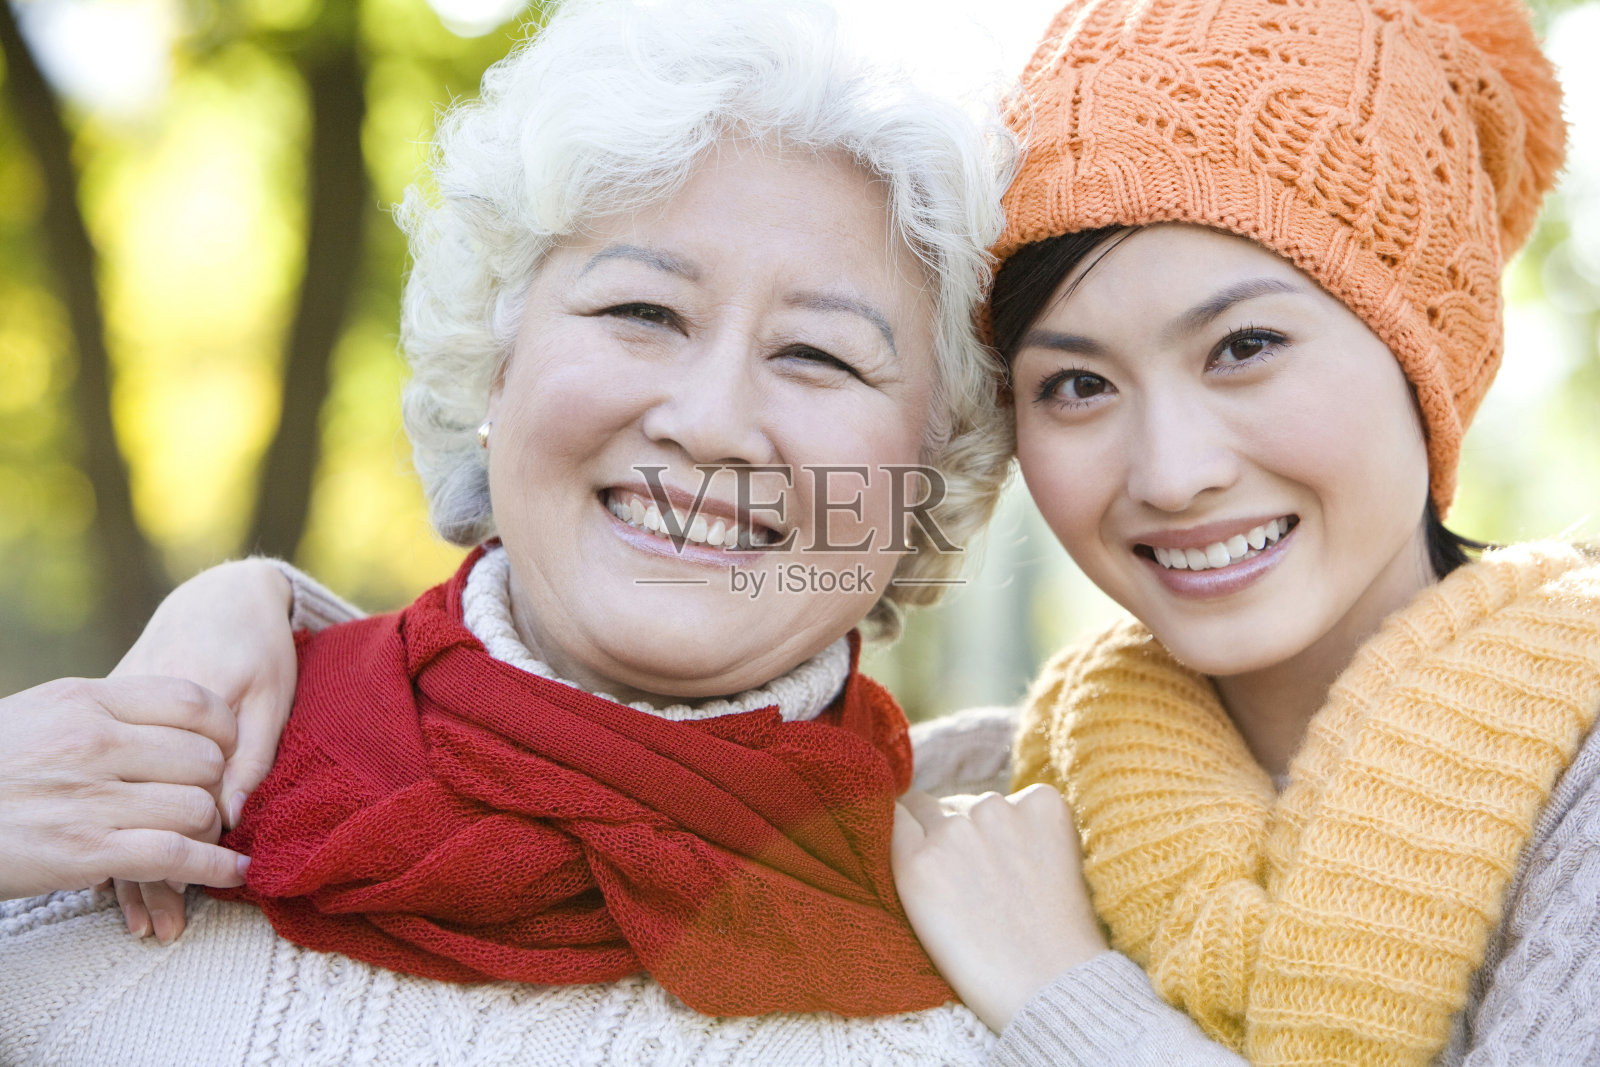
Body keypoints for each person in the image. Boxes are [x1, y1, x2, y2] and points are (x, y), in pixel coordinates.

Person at [0, 0, 1019, 1062]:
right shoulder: (76, 827)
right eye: (642, 312)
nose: (712, 421)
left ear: (932, 467)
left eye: (819, 355)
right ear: (496, 359)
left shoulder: (1024, 960)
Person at [889, 0, 1600, 1063]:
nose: (1172, 473)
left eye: (1244, 345)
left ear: (1425, 356)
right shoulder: (951, 804)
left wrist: (1063, 997)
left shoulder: (1575, 806)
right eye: (1076, 383)